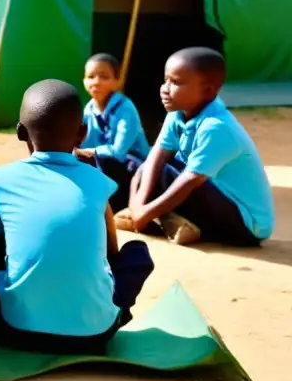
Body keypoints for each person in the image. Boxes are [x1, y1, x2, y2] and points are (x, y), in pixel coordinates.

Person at [0, 79, 154, 355]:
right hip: (94, 336)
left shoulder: (3, 178)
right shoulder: (98, 181)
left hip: (16, 331)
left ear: (21, 132)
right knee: (137, 252)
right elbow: (112, 251)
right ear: (82, 133)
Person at [117, 48, 274, 247]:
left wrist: (145, 213)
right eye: (165, 80)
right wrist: (137, 205)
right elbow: (157, 156)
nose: (165, 88)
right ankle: (173, 221)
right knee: (144, 166)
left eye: (176, 82)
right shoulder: (178, 113)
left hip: (246, 226)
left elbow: (190, 181)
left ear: (207, 91)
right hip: (214, 200)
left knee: (167, 174)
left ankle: (178, 222)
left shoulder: (216, 127)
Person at [75, 53, 150, 210]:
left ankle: (120, 206)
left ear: (117, 81)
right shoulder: (88, 109)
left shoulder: (125, 108)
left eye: (103, 77)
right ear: (83, 81)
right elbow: (80, 143)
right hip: (104, 162)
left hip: (132, 166)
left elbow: (118, 152)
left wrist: (87, 152)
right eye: (90, 76)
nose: (96, 82)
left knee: (106, 161)